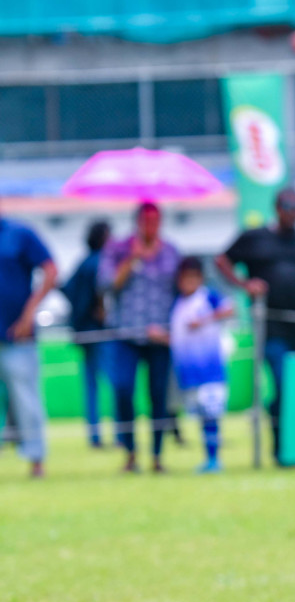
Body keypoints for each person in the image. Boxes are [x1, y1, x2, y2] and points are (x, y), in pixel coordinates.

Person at [217, 188, 295, 462]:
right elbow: (222, 261)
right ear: (277, 208)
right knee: (282, 384)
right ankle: (282, 449)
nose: (291, 212)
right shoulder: (256, 237)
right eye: (287, 207)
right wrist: (245, 285)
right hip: (272, 328)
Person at [100, 203, 179, 474]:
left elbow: (180, 291)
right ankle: (130, 453)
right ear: (136, 222)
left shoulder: (171, 252)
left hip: (160, 337)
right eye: (146, 220)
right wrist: (131, 259)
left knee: (159, 395)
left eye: (155, 220)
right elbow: (106, 286)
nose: (150, 226)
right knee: (123, 390)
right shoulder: (117, 249)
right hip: (125, 333)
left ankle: (157, 456)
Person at [0, 207, 56, 478]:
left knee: (26, 399)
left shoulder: (18, 233)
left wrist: (29, 314)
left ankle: (36, 460)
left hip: (16, 335)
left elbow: (50, 268)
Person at [169, 257, 234, 473]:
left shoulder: (207, 296)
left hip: (210, 370)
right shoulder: (178, 303)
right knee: (200, 417)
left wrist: (205, 320)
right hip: (189, 372)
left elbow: (230, 310)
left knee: (211, 416)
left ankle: (215, 458)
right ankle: (208, 457)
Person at [62, 220, 111, 447]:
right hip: (100, 331)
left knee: (91, 385)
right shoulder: (101, 262)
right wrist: (97, 307)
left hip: (83, 331)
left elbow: (65, 287)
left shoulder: (82, 263)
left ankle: (95, 436)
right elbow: (103, 289)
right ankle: (120, 435)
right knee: (113, 382)